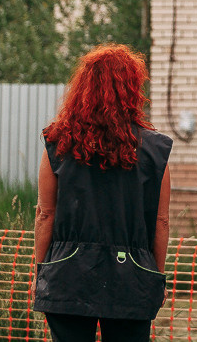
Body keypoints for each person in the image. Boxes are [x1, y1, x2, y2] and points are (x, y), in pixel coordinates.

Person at [32, 44, 172, 342]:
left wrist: (41, 271)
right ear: (132, 88)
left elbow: (45, 213)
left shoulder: (57, 142)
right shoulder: (155, 151)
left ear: (82, 88)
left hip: (66, 272)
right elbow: (161, 222)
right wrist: (154, 276)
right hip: (133, 277)